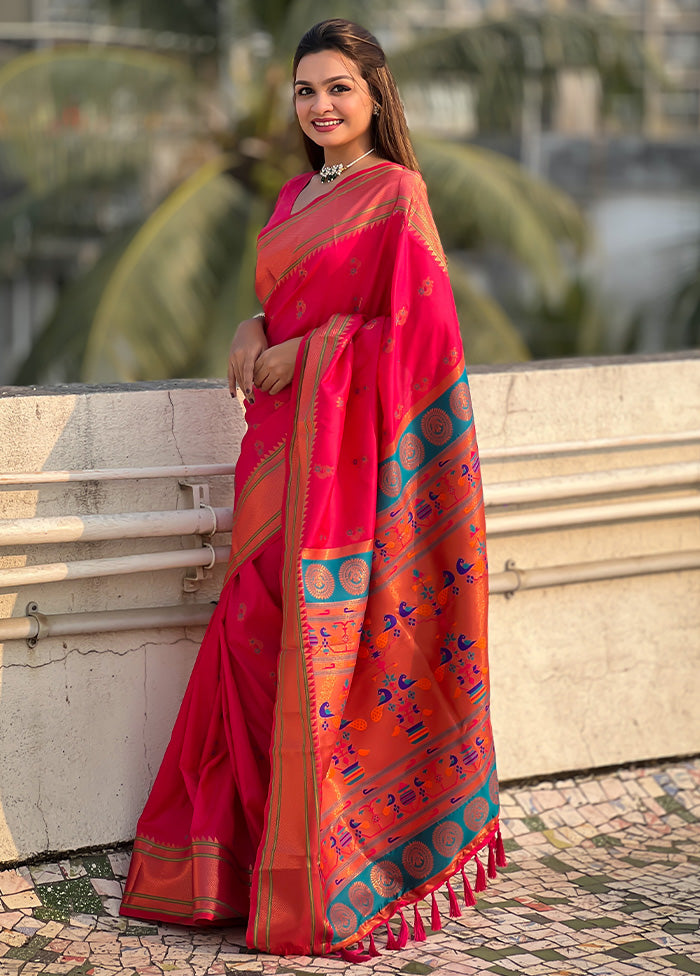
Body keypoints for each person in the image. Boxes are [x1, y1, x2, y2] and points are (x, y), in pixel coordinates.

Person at [120, 18, 504, 958]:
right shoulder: (296, 193)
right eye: (305, 91)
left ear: (375, 93)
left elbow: (422, 343)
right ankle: (247, 870)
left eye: (338, 87)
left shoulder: (398, 195)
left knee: (315, 660)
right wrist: (256, 326)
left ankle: (323, 876)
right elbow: (294, 296)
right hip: (271, 458)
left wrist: (310, 352)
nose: (320, 105)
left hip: (343, 472)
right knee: (251, 648)